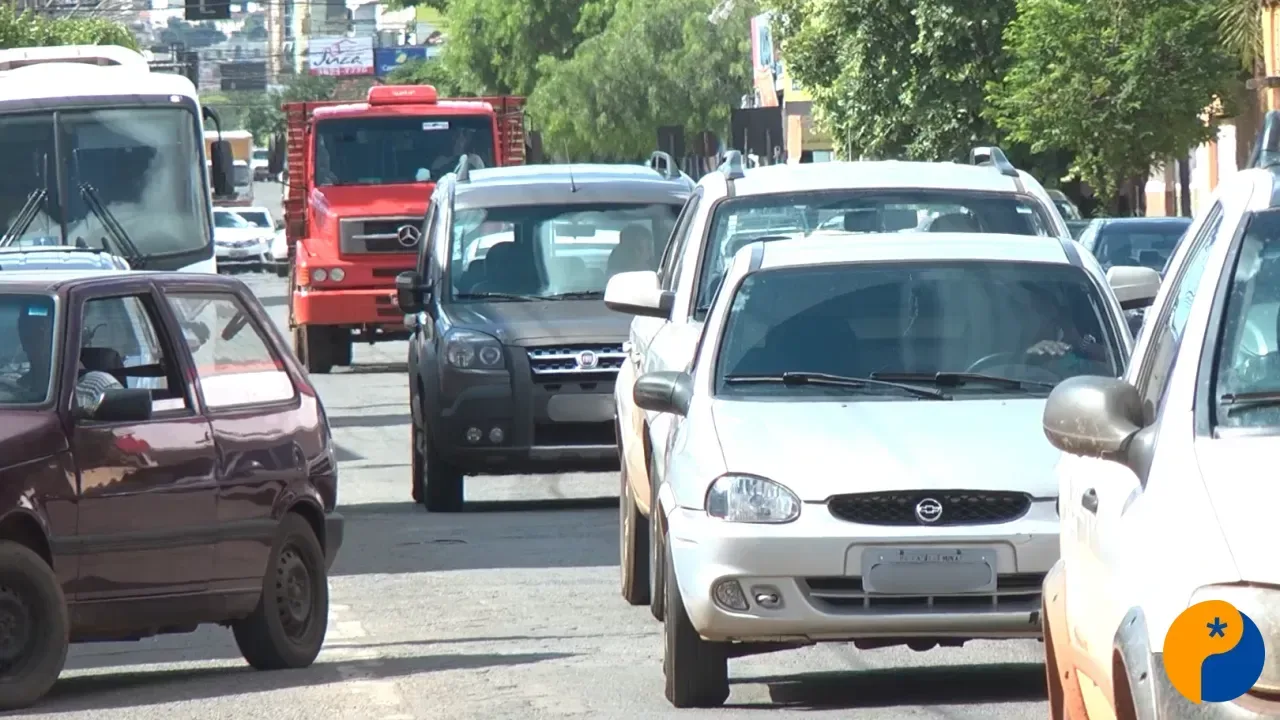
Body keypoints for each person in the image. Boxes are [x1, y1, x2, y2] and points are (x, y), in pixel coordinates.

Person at [16, 304, 124, 408]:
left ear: (71, 337)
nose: (36, 341)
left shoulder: (99, 387)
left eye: (44, 331)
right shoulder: (14, 385)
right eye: (29, 333)